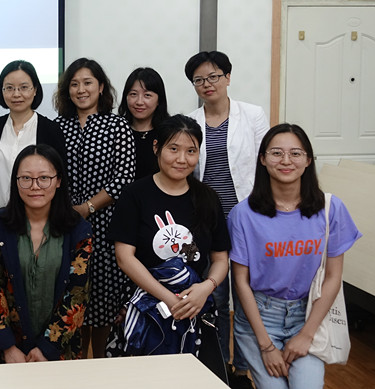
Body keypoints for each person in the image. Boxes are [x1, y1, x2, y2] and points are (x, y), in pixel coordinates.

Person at [228, 124, 361, 389]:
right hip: (260, 319)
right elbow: (240, 282)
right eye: (276, 153)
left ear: (308, 160)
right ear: (263, 159)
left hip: (309, 314)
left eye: (296, 153)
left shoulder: (331, 208)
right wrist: (266, 346)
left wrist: (306, 334)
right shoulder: (243, 214)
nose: (286, 160)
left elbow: (333, 276)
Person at [109, 114, 230, 370]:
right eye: (173, 149)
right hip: (144, 307)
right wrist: (170, 299)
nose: (182, 159)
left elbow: (220, 258)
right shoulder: (134, 195)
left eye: (191, 151)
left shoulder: (208, 198)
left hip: (195, 305)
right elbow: (124, 257)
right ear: (157, 148)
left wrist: (205, 288)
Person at [185, 50, 269, 386]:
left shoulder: (253, 115)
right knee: (216, 298)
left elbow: (266, 164)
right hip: (207, 221)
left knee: (248, 296)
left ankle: (245, 369)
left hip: (248, 218)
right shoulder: (190, 121)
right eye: (199, 80)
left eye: (214, 76)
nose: (207, 84)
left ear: (228, 77)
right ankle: (220, 366)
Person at [53, 57, 135, 358]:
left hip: (106, 223)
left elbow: (124, 177)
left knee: (102, 299)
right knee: (69, 295)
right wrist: (69, 211)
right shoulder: (57, 126)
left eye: (87, 82)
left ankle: (99, 362)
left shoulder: (117, 125)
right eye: (74, 84)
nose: (81, 89)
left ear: (101, 87)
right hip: (63, 222)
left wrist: (88, 207)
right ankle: (73, 364)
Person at [0, 144, 92, 361]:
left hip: (61, 351)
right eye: (26, 178)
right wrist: (7, 347)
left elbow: (78, 294)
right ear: (16, 181)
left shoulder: (78, 228)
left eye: (44, 178)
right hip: (11, 352)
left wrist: (47, 348)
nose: (35, 186)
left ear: (58, 181)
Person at [0, 60, 65, 215]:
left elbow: (59, 178)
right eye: (9, 88)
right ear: (2, 91)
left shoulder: (51, 130)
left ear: (35, 90)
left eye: (23, 87)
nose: (16, 94)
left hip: (41, 218)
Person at [117, 67, 170, 180]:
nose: (139, 102)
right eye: (133, 94)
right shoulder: (116, 131)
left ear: (159, 100)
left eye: (147, 95)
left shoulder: (169, 133)